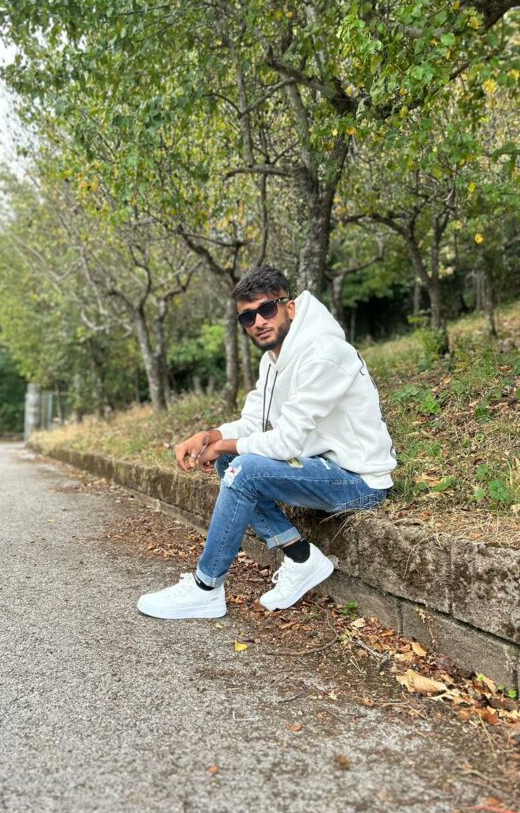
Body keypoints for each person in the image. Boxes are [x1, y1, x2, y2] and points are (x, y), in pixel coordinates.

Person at [137, 265, 396, 620]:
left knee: (242, 467)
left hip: (359, 481)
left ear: (289, 307)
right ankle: (301, 558)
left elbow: (286, 442)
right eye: (247, 317)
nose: (258, 321)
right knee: (230, 461)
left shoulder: (323, 353)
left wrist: (224, 446)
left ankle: (206, 588)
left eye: (267, 309)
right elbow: (252, 425)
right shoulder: (272, 360)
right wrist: (210, 437)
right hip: (321, 466)